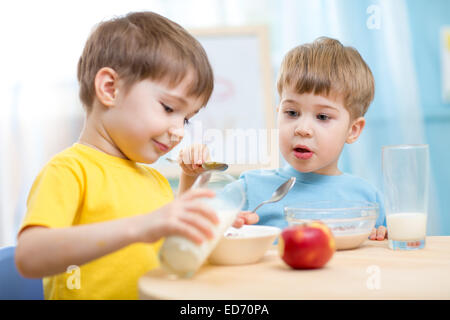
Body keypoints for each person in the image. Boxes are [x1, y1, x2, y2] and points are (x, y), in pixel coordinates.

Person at [14, 11, 255, 300]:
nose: (179, 131)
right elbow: (30, 256)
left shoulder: (152, 177)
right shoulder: (69, 170)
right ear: (110, 89)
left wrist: (205, 220)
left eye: (186, 119)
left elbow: (165, 244)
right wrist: (141, 226)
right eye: (168, 108)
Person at [178, 37, 387, 241]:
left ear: (353, 130)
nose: (303, 129)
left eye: (322, 117)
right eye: (292, 113)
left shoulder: (367, 199)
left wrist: (382, 237)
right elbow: (186, 230)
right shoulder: (249, 188)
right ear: (278, 113)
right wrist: (190, 177)